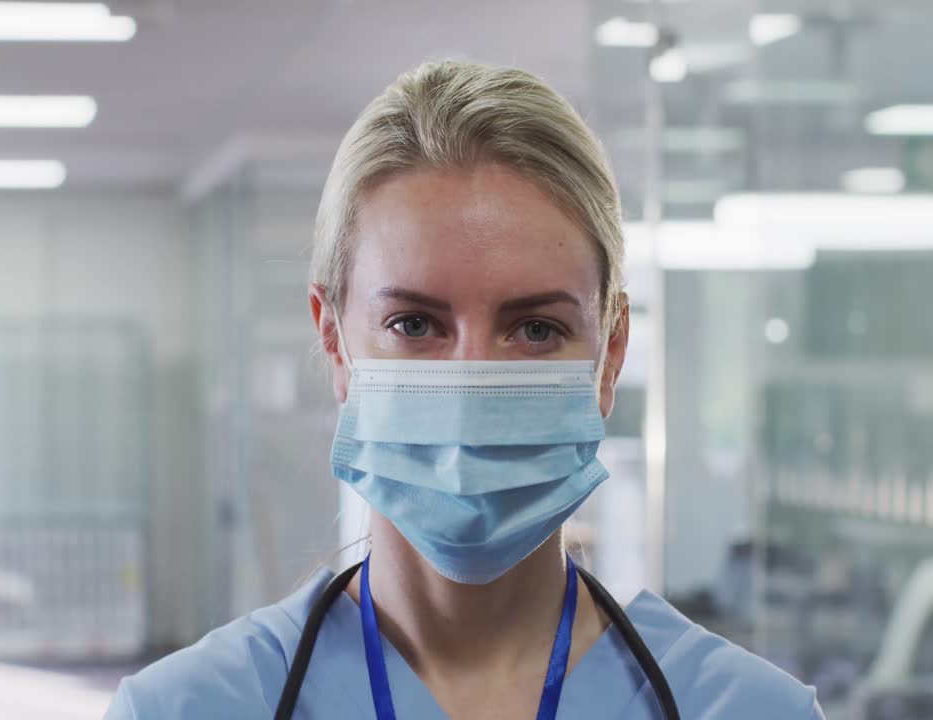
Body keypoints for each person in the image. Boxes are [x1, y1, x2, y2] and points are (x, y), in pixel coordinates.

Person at [105, 60, 824, 720]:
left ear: (609, 354)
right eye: (414, 324)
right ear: (334, 341)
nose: (470, 387)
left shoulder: (748, 712)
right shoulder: (187, 709)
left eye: (535, 329)